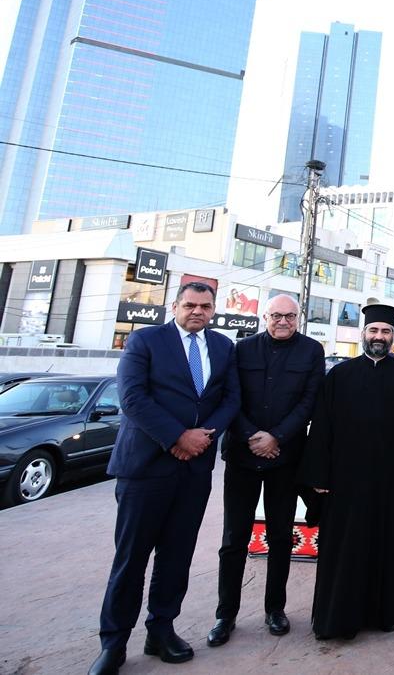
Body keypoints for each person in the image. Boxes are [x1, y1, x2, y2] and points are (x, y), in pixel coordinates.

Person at [89, 283, 241, 675]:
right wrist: (177, 437)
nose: (197, 311)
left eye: (205, 306)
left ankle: (161, 630)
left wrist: (203, 437)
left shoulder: (223, 347)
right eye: (190, 305)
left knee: (176, 557)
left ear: (213, 309)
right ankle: (113, 643)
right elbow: (132, 398)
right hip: (145, 469)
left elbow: (230, 400)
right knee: (131, 559)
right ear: (175, 306)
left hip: (194, 471)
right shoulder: (145, 341)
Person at [297, 304, 394, 640]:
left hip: (391, 485)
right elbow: (321, 428)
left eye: (385, 331)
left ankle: (384, 614)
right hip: (345, 485)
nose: (379, 336)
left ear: (393, 336)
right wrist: (319, 477)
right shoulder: (339, 375)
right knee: (345, 552)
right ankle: (338, 619)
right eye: (374, 330)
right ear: (363, 334)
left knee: (388, 549)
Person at [206, 294, 323, 647]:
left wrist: (277, 437)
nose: (283, 321)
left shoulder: (312, 351)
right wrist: (252, 436)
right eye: (276, 315)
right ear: (264, 316)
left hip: (285, 459)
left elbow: (310, 401)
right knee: (234, 539)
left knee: (281, 537)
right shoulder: (241, 350)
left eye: (290, 316)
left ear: (299, 318)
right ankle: (225, 614)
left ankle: (275, 609)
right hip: (243, 457)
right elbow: (230, 398)